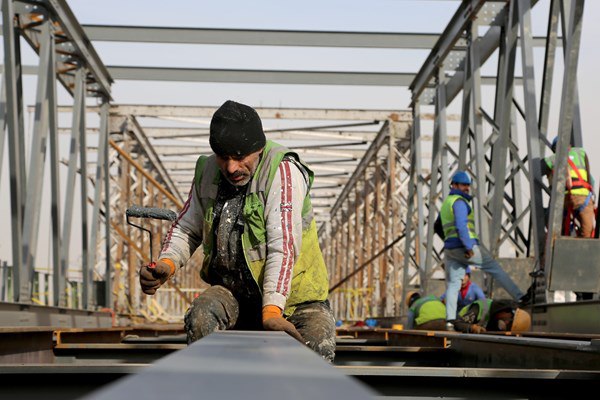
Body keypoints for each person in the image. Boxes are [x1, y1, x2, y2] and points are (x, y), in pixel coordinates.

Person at [138, 100, 336, 362]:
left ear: (259, 149)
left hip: (296, 301)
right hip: (235, 294)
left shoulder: (282, 172)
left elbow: (283, 244)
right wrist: (167, 263)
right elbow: (188, 226)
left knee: (316, 347)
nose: (231, 168)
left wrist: (273, 310)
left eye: (240, 157)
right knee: (201, 316)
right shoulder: (208, 171)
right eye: (223, 157)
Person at [440, 170, 531, 331]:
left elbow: (438, 227)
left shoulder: (447, 203)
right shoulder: (460, 202)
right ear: (454, 185)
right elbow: (461, 226)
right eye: (463, 185)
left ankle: (450, 321)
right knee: (493, 268)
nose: (466, 188)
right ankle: (520, 297)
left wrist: (451, 242)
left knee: (453, 284)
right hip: (464, 246)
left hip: (450, 249)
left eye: (468, 185)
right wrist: (468, 246)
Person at [541, 136, 596, 238]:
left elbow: (539, 168)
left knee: (555, 230)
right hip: (583, 198)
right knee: (588, 232)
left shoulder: (554, 158)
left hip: (563, 200)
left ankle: (556, 246)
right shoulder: (581, 154)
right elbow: (591, 181)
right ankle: (582, 247)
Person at [453, 299, 531, 334]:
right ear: (505, 310)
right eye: (509, 321)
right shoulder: (482, 307)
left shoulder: (495, 318)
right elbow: (457, 324)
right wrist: (473, 328)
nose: (506, 322)